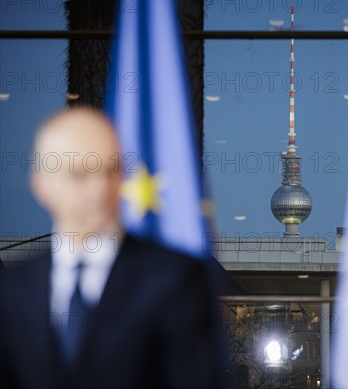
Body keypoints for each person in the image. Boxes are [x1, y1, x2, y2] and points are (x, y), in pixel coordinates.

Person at [0, 107, 227, 389]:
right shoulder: (15, 288)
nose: (99, 189)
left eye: (111, 170)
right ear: (41, 185)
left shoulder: (175, 279)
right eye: (80, 174)